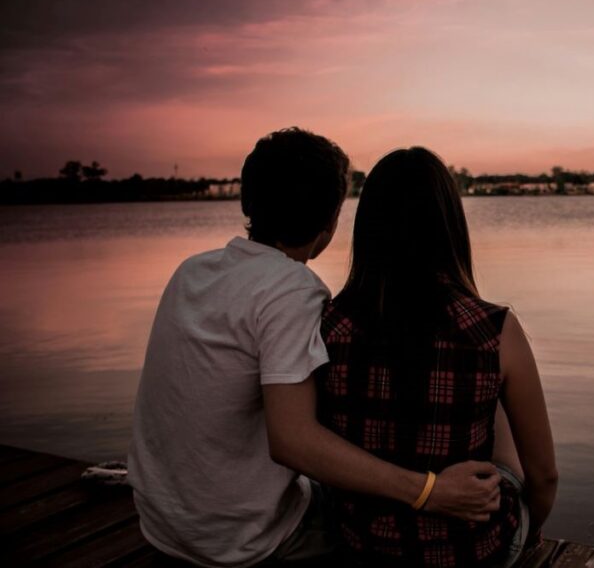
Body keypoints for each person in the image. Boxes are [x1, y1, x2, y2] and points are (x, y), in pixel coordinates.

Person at [128, 129, 501, 568]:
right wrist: (428, 491)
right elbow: (292, 443)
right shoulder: (292, 290)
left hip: (161, 522)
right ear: (330, 223)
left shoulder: (191, 272)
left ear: (247, 203)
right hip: (240, 541)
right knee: (372, 518)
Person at [317, 147, 558, 567]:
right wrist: (530, 531)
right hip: (469, 552)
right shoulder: (494, 329)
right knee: (494, 391)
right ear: (449, 225)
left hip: (362, 546)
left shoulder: (329, 325)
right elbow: (544, 477)